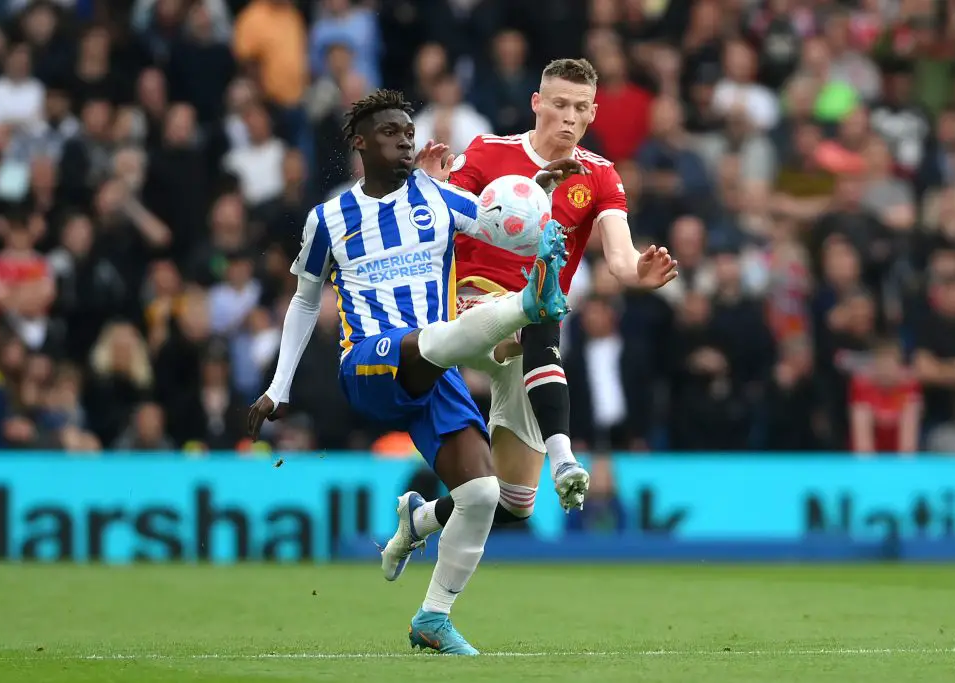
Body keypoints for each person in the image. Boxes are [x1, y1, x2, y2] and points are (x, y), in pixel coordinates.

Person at [246, 90, 570, 655]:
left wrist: (536, 195)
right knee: (432, 340)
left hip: (434, 366)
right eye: (392, 132)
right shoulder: (328, 218)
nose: (405, 140)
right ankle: (527, 306)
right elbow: (303, 303)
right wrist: (279, 387)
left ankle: (433, 617)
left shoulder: (436, 198)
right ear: (360, 143)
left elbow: (499, 224)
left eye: (408, 131)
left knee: (483, 493)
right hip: (370, 360)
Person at [407, 58, 676, 525]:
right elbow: (434, 217)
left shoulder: (600, 176)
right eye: (559, 104)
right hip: (469, 308)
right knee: (539, 309)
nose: (569, 116)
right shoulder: (488, 152)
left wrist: (639, 272)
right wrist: (429, 185)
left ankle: (421, 518)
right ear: (536, 103)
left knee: (514, 501)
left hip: (528, 344)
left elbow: (619, 257)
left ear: (593, 113)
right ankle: (566, 458)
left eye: (580, 107)